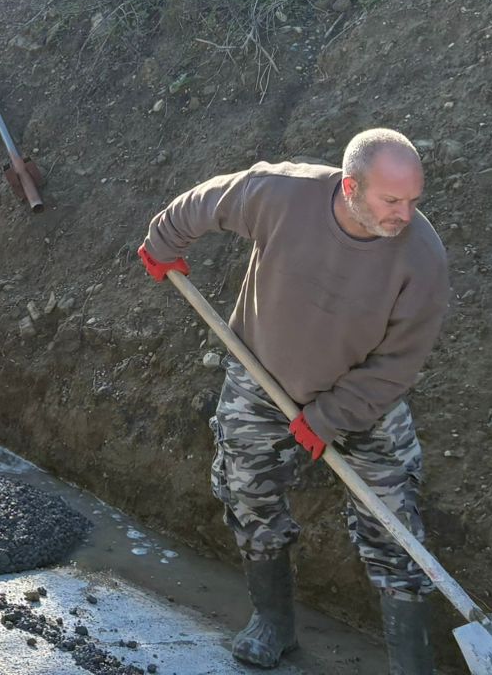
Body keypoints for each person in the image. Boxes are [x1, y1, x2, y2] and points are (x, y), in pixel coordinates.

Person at [136, 129, 448, 675]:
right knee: (247, 491)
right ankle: (273, 623)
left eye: (413, 200)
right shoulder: (281, 194)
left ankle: (410, 665)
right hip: (264, 378)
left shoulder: (421, 257)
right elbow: (208, 201)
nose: (405, 214)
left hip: (363, 398)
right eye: (391, 200)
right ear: (351, 186)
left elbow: (399, 362)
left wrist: (328, 417)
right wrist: (164, 240)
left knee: (393, 525)